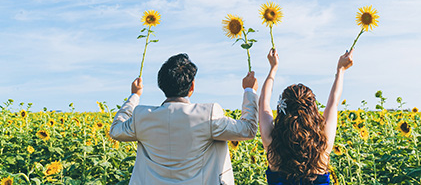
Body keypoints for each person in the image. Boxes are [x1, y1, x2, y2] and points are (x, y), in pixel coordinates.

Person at [109, 53, 259, 185]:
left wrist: (134, 96)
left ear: (161, 85)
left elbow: (116, 130)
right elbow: (248, 130)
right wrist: (249, 91)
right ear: (192, 86)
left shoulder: (142, 116)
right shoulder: (208, 114)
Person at [259, 48, 353, 185]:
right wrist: (341, 70)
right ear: (312, 110)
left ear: (282, 108)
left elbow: (264, 103)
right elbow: (333, 102)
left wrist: (273, 68)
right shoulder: (322, 143)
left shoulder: (272, 142)